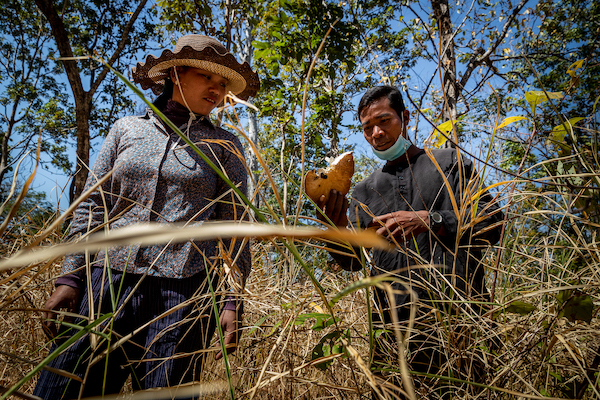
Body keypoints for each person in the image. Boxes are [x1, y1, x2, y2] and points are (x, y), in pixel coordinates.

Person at [33, 35, 260, 399]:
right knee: (63, 388)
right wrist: (72, 277)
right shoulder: (127, 130)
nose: (217, 91)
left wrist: (231, 301)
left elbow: (234, 229)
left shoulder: (225, 146)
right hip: (108, 281)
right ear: (175, 73)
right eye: (207, 78)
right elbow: (94, 206)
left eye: (222, 85)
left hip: (183, 293)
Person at [317, 86, 503, 395]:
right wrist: (334, 227)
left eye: (384, 120)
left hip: (459, 327)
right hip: (394, 337)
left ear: (404, 118)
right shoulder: (364, 191)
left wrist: (430, 220)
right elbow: (352, 263)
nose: (376, 133)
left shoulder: (449, 164)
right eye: (367, 127)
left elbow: (492, 223)